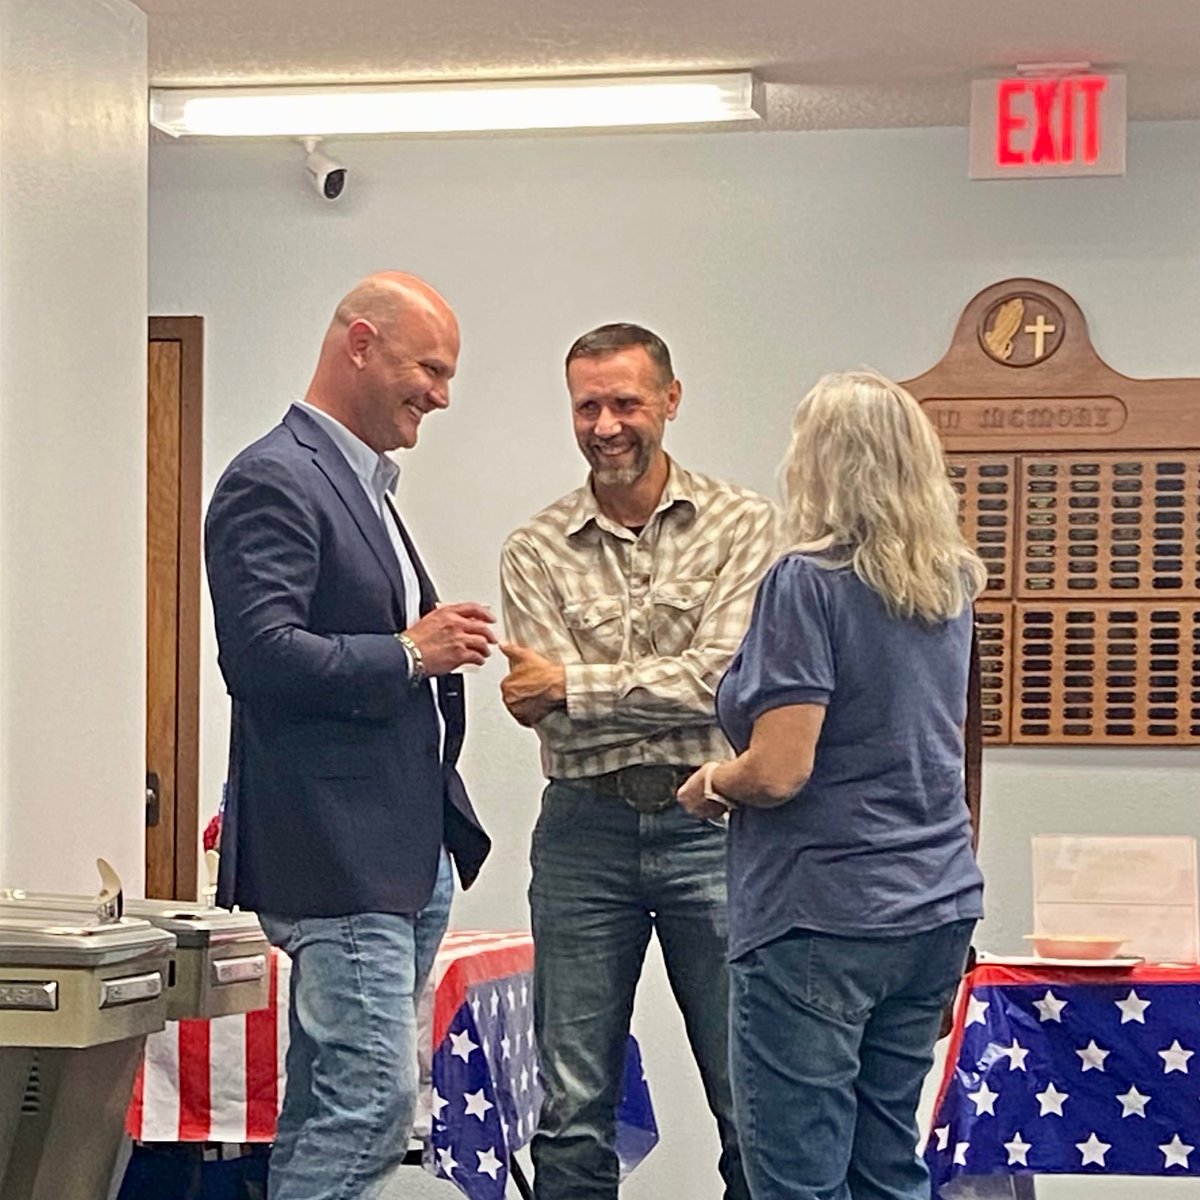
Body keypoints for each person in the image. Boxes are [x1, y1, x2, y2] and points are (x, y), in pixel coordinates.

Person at [204, 271, 495, 1200]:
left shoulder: (360, 483)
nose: (441, 395)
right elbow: (262, 658)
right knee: (372, 1102)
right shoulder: (273, 477)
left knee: (335, 1096)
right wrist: (412, 651)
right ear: (360, 344)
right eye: (429, 369)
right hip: (337, 855)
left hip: (402, 854)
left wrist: (417, 647)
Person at [677, 368, 987, 1200]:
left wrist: (712, 781)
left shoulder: (805, 584)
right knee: (887, 1161)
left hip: (823, 911)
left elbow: (781, 768)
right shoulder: (949, 587)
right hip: (934, 907)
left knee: (798, 1176)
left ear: (817, 464)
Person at [499, 322, 776, 1200]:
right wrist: (624, 694)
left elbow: (724, 683)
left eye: (626, 402)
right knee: (572, 1107)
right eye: (588, 405)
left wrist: (573, 688)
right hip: (585, 831)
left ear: (670, 400)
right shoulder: (534, 547)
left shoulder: (744, 523)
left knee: (751, 1094)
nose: (606, 424)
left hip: (717, 827)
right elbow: (533, 708)